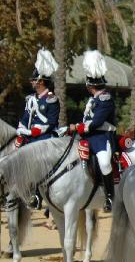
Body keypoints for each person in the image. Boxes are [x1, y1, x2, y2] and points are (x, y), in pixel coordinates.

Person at [68, 50, 117, 212]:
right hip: (88, 136)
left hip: (102, 137)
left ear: (90, 86)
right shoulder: (93, 99)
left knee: (104, 162)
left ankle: (110, 195)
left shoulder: (105, 99)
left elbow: (96, 122)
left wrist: (78, 127)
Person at [16, 48, 60, 147]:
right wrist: (21, 128)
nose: (31, 82)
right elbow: (26, 118)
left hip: (45, 138)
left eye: (34, 80)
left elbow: (52, 123)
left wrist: (35, 131)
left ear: (41, 81)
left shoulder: (51, 99)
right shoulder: (31, 99)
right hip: (30, 137)